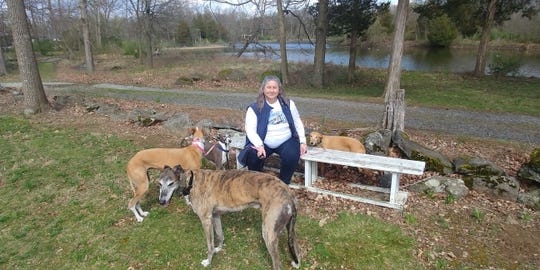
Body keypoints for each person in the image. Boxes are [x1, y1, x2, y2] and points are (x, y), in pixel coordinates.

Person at [237, 75, 308, 184]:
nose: (271, 90)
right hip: (263, 141)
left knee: (292, 154)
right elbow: (250, 129)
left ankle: (284, 184)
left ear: (279, 89)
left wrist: (302, 141)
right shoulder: (254, 108)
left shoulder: (288, 104)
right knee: (252, 155)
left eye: (274, 87)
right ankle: (256, 183)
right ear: (263, 89)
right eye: (268, 87)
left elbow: (297, 122)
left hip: (286, 140)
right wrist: (259, 145)